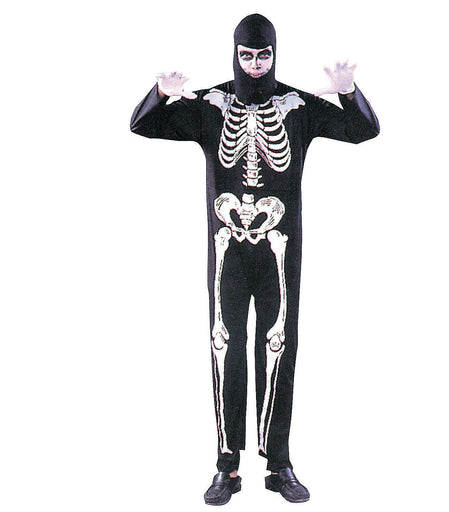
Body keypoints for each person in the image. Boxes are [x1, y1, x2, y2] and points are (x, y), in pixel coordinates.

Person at [130, 13, 379, 505]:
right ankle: (227, 465)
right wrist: (160, 92)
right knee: (224, 346)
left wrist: (348, 91)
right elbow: (142, 124)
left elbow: (363, 130)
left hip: (279, 248)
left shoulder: (297, 106)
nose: (256, 64)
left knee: (280, 347)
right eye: (247, 55)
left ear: (274, 54)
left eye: (264, 55)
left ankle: (278, 463)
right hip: (226, 247)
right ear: (236, 54)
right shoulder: (210, 105)